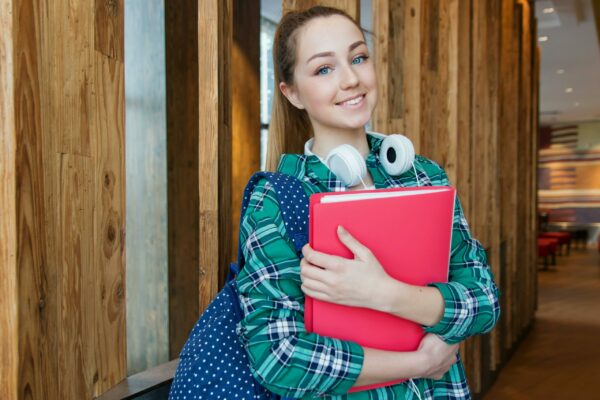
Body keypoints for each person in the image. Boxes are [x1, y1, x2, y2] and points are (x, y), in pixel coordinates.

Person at [235, 6, 500, 399]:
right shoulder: (276, 199)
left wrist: (385, 294)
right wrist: (419, 363)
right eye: (324, 69)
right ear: (292, 93)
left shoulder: (423, 175)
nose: (352, 79)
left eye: (358, 58)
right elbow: (277, 356)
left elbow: (484, 300)